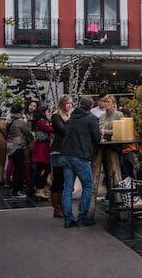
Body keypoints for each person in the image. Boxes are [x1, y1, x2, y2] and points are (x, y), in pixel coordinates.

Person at [60, 96, 101, 228]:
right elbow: (97, 138)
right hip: (80, 155)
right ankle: (82, 217)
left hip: (67, 155)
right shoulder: (92, 118)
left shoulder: (72, 117)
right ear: (91, 106)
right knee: (88, 186)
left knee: (67, 188)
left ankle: (68, 219)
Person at [49, 94, 72, 218]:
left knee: (67, 180)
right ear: (62, 104)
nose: (69, 106)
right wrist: (70, 121)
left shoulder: (70, 116)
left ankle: (64, 206)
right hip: (58, 151)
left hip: (69, 151)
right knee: (58, 180)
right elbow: (63, 130)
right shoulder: (56, 116)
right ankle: (57, 208)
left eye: (71, 103)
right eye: (67, 103)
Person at [6, 103, 34, 198]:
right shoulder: (19, 121)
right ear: (20, 111)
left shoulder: (11, 120)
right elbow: (28, 133)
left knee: (16, 168)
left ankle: (16, 189)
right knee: (19, 169)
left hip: (10, 146)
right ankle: (16, 191)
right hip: (17, 146)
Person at [31, 105, 53, 200]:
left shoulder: (39, 121)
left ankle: (37, 189)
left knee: (39, 169)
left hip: (40, 148)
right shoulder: (41, 121)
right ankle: (39, 189)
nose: (49, 113)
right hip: (42, 149)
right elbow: (51, 129)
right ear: (43, 112)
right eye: (48, 111)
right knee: (47, 169)